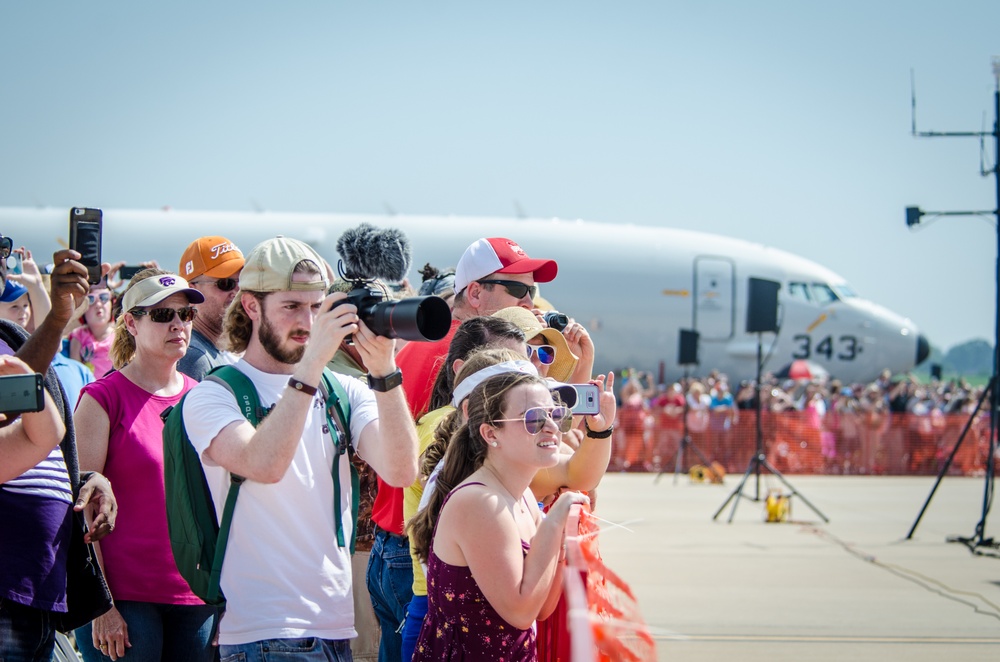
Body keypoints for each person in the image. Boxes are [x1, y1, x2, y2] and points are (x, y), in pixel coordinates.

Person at [181, 236, 419, 660]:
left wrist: (384, 369)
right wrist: (313, 362)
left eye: (317, 307)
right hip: (263, 630)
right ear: (251, 306)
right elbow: (264, 464)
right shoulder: (213, 394)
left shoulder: (344, 390)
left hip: (335, 627)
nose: (308, 321)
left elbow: (401, 472)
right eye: (291, 306)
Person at [368, 237, 559, 661]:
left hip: (397, 538)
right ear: (475, 292)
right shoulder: (483, 365)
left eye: (533, 291)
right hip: (433, 548)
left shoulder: (416, 346)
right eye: (519, 290)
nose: (532, 302)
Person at [408, 367, 614, 661]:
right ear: (491, 433)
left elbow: (542, 607)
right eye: (533, 419)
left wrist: (559, 538)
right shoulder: (480, 502)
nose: (552, 427)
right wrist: (554, 523)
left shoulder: (523, 497)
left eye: (556, 415)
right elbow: (520, 611)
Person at [73, 270, 218, 661]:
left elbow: (219, 505)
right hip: (122, 597)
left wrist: (226, 596)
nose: (178, 325)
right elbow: (81, 511)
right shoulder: (102, 399)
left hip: (195, 595)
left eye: (185, 315)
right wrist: (101, 607)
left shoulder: (203, 399)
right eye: (162, 315)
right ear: (131, 323)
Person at [0, 230, 118, 661]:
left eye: (3, 250)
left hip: (40, 581)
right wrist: (56, 320)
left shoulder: (13, 339)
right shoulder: (23, 348)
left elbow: (42, 444)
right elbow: (11, 407)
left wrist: (87, 480)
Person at [176, 235, 244, 381]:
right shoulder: (194, 359)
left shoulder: (217, 352)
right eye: (226, 284)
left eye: (243, 282)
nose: (238, 292)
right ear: (192, 292)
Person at [68, 283, 115, 378]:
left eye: (104, 297)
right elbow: (74, 371)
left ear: (112, 304)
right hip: (88, 389)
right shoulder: (79, 335)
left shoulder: (119, 336)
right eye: (91, 299)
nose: (98, 304)